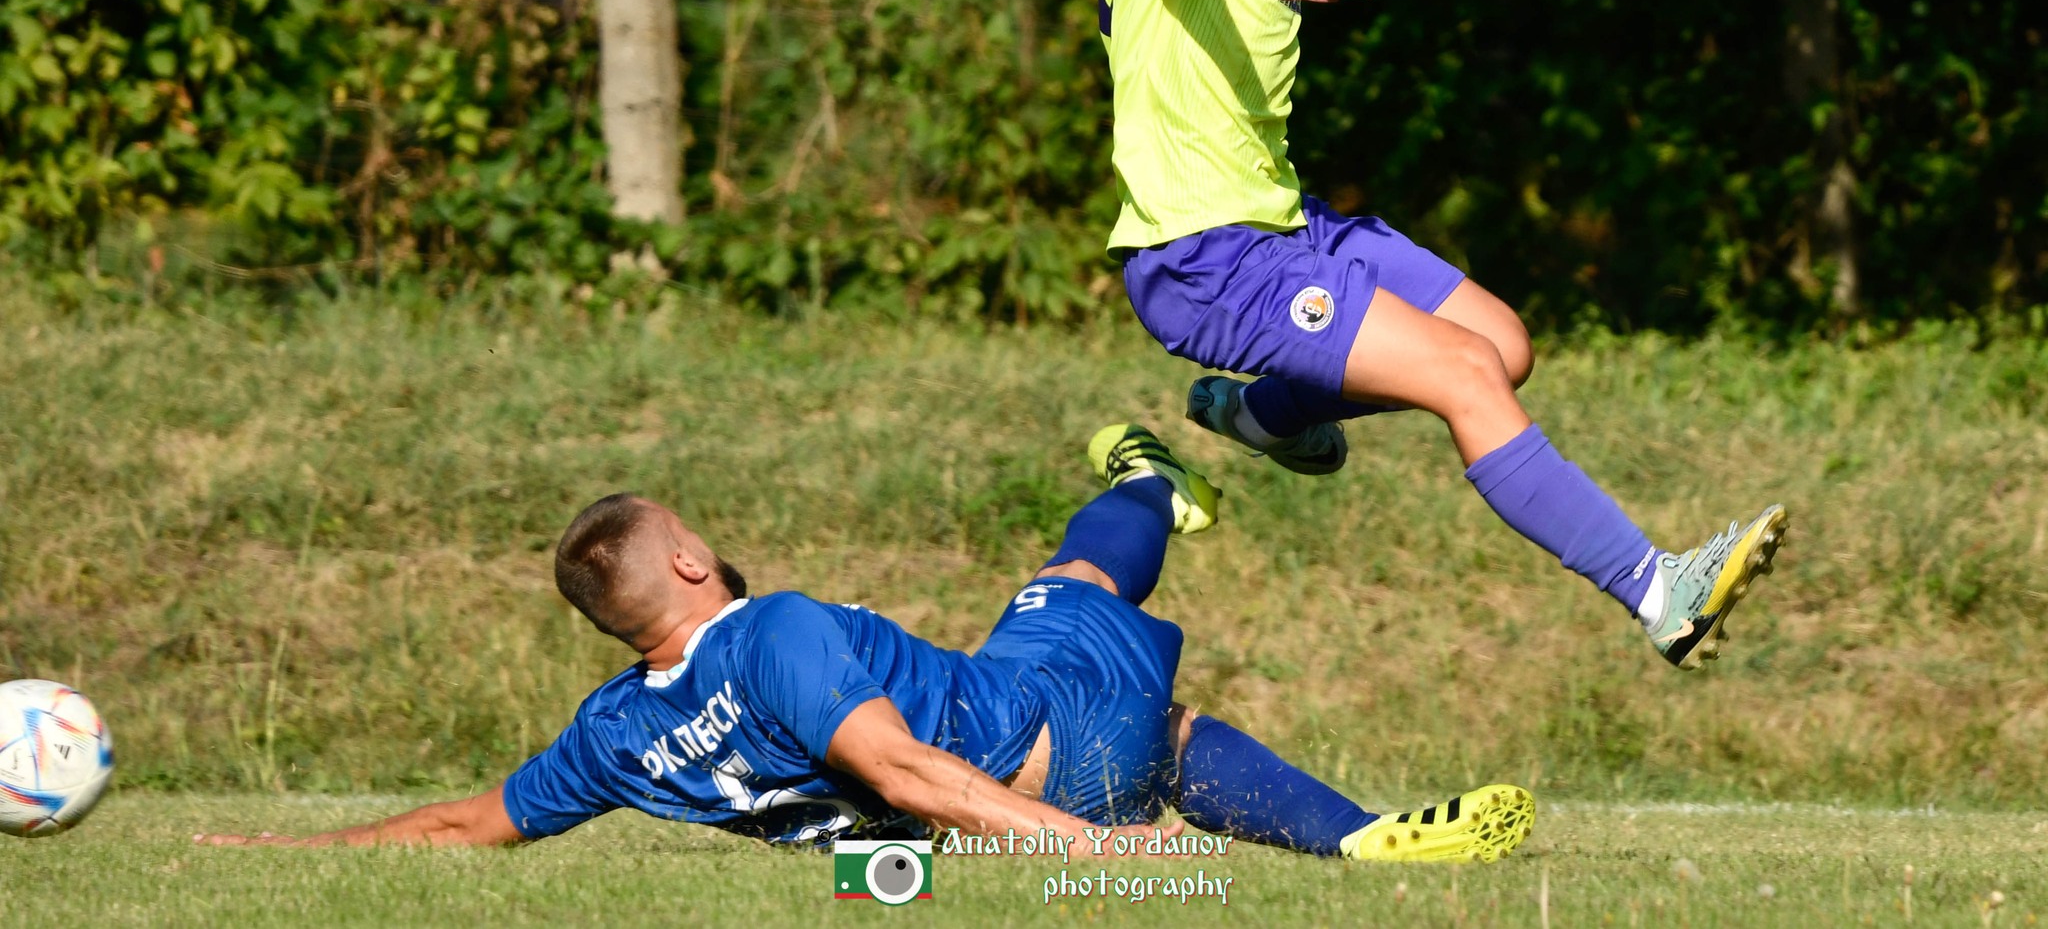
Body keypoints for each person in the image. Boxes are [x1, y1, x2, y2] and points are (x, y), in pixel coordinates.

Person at [1095, 0, 1786, 670]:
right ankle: (1658, 591)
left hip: (1283, 222)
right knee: (1462, 375)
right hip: (1205, 255)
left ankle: (1265, 415)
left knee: (1499, 345)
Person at [200, 426, 1534, 864]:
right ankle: (1148, 473)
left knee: (1096, 654)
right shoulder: (770, 628)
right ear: (686, 562)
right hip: (1048, 736)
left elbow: (462, 823)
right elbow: (898, 770)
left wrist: (270, 851)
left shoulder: (613, 733)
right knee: (1080, 582)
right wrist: (1088, 849)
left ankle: (1360, 845)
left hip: (968, 832)